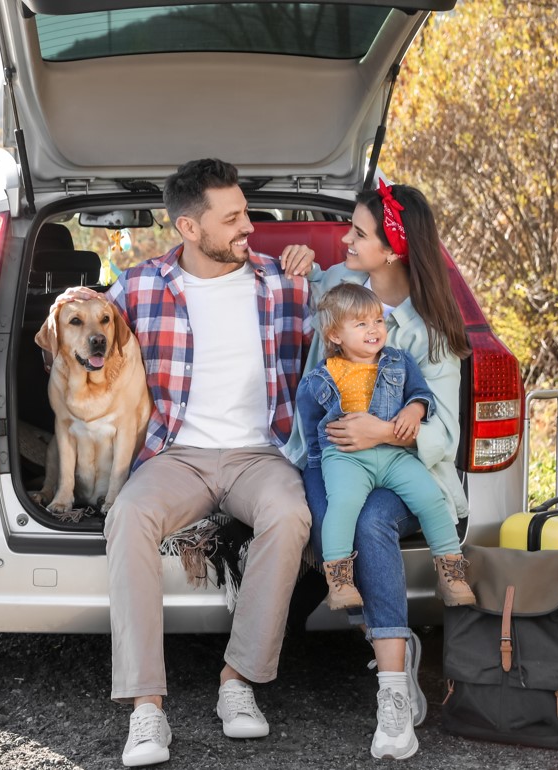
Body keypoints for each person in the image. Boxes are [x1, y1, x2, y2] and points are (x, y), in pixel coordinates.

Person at [76, 158, 316, 767]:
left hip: (260, 452)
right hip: (176, 454)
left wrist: (317, 266)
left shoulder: (284, 281)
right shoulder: (139, 287)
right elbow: (84, 340)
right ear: (189, 227)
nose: (248, 227)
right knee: (129, 516)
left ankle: (238, 680)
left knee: (290, 514)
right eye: (232, 218)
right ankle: (146, 707)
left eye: (246, 213)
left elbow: (360, 314)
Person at [287, 181, 472, 761]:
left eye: (359, 233)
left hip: (405, 466)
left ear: (392, 250)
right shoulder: (337, 288)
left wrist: (383, 431)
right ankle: (392, 642)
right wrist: (295, 262)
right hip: (333, 458)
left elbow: (444, 434)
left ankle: (391, 691)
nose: (345, 239)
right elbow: (292, 283)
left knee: (369, 523)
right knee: (331, 523)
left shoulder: (430, 331)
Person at [296, 282, 475, 610]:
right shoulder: (320, 377)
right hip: (347, 458)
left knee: (431, 498)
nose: (373, 329)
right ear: (335, 335)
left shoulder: (399, 361)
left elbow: (421, 393)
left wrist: (414, 410)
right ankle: (339, 581)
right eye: (361, 324)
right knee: (343, 505)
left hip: (395, 454)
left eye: (378, 320)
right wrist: (322, 464)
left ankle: (451, 574)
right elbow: (310, 423)